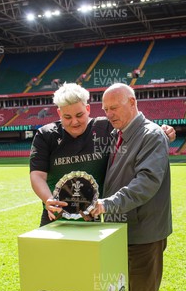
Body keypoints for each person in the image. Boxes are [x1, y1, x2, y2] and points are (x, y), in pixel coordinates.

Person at [91, 83, 172, 291]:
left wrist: (107, 205)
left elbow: (147, 182)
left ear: (132, 102)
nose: (110, 114)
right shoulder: (117, 134)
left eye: (115, 108)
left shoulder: (150, 135)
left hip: (143, 232)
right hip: (118, 230)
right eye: (106, 109)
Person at [29, 82, 175, 226]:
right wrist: (48, 199)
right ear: (59, 113)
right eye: (67, 117)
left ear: (87, 109)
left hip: (93, 219)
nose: (74, 122)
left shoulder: (105, 127)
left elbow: (135, 124)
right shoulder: (46, 135)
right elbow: (37, 175)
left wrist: (163, 131)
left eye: (79, 115)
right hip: (56, 218)